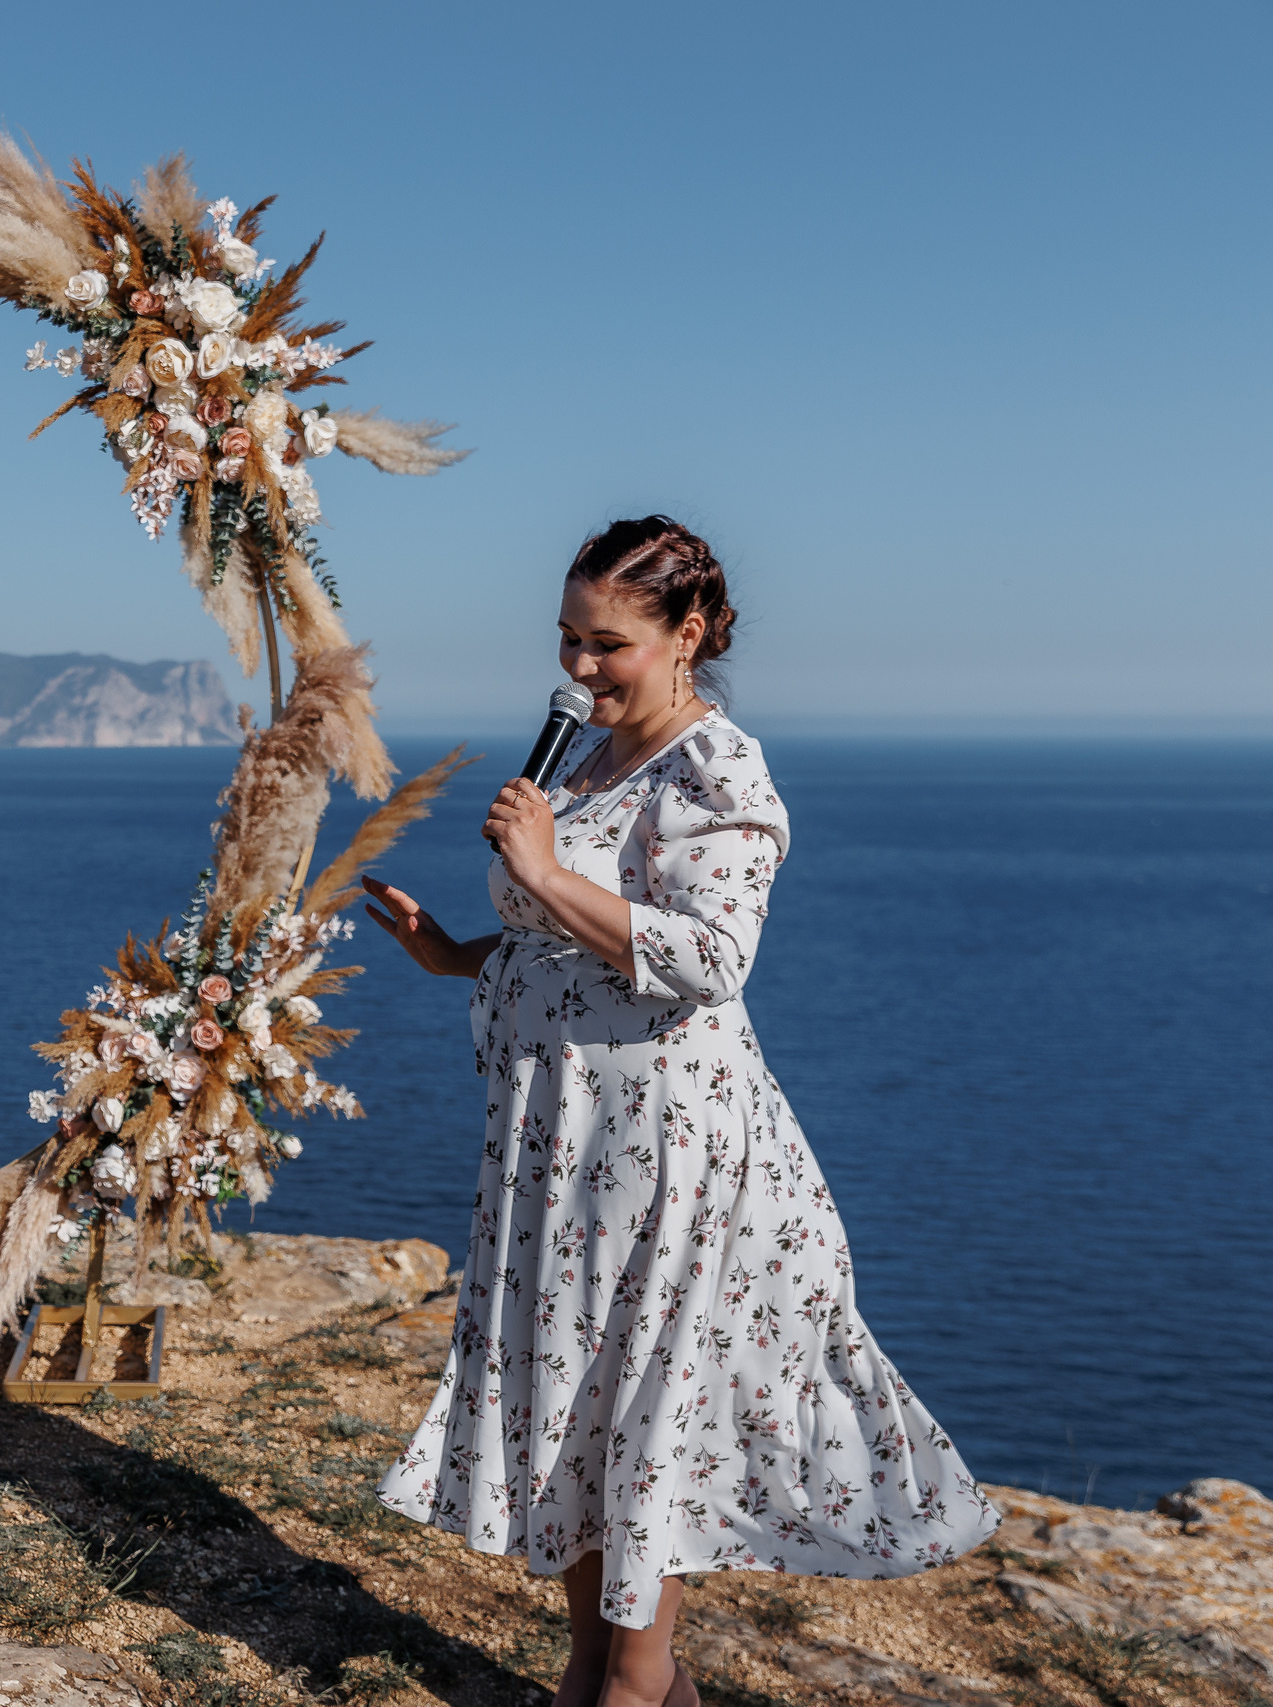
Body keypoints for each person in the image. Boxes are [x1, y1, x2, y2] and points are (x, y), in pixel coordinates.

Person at [360, 517, 997, 1707]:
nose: (578, 669)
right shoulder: (586, 759)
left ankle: (632, 1685)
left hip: (660, 1146)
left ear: (687, 634)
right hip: (560, 1139)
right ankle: (600, 1669)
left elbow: (709, 958)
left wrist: (547, 874)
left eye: (607, 645)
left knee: (643, 1404)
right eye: (566, 639)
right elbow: (580, 935)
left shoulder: (719, 771)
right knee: (577, 1393)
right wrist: (457, 956)